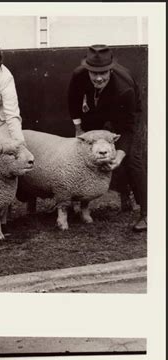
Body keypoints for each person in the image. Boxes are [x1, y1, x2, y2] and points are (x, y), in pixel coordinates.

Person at [68, 44, 147, 232]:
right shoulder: (78, 75)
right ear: (87, 69)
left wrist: (119, 156)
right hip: (96, 110)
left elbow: (127, 128)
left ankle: (148, 213)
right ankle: (74, 203)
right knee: (83, 149)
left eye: (103, 72)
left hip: (123, 113)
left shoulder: (124, 89)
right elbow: (73, 100)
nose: (98, 77)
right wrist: (79, 129)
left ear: (110, 69)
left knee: (132, 159)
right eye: (93, 73)